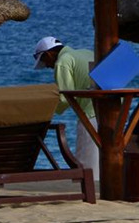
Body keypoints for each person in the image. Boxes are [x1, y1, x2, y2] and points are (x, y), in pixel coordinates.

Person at [33, 35, 98, 186]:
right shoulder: (86, 52)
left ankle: (90, 190)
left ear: (49, 54)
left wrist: (44, 113)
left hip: (90, 112)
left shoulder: (62, 62)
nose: (48, 66)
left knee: (87, 159)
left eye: (45, 62)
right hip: (114, 108)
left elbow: (65, 97)